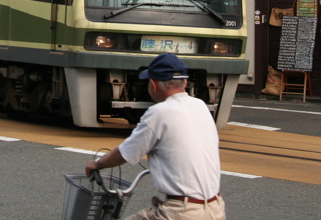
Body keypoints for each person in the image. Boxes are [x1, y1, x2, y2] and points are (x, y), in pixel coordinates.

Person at [84, 53, 225, 220]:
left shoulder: (159, 112)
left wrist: (98, 164)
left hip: (182, 213)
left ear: (153, 84)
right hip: (215, 208)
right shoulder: (200, 105)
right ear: (185, 82)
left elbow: (124, 153)